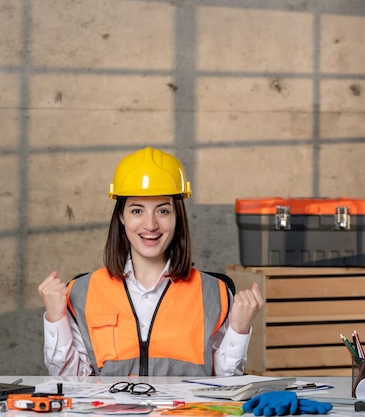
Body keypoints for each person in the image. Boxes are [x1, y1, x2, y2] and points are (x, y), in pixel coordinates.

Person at [38, 146, 264, 376]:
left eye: (163, 211)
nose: (150, 225)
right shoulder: (82, 292)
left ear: (178, 217)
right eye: (137, 211)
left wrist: (239, 328)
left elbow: (225, 383)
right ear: (121, 216)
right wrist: (56, 319)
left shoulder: (214, 293)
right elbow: (71, 383)